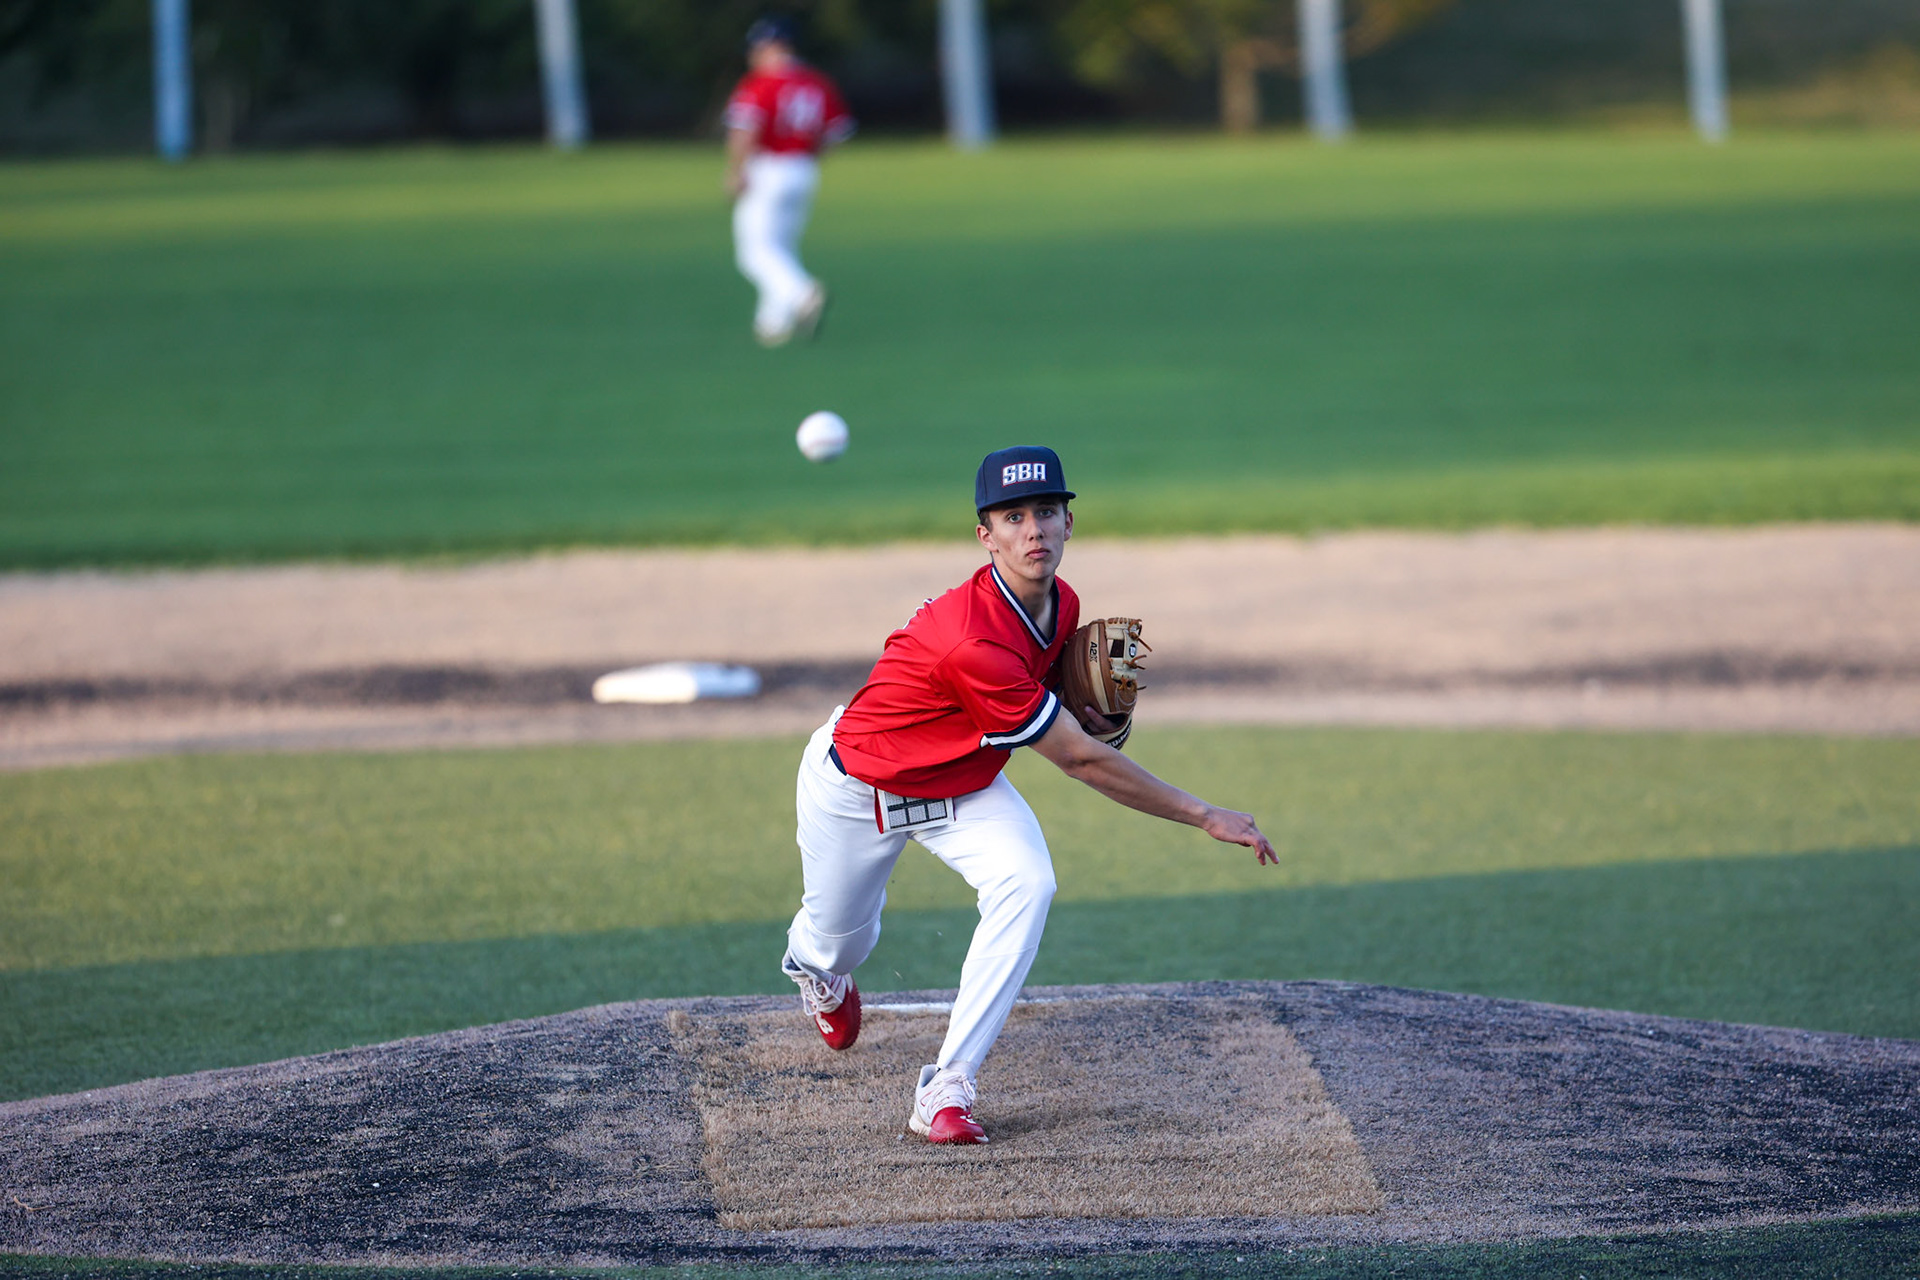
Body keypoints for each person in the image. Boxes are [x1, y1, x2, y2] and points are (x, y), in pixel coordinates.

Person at [782, 445, 1279, 1144]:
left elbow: (1054, 703)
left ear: (1069, 523)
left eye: (1047, 511)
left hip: (964, 785)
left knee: (1028, 883)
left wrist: (1081, 706)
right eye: (1013, 517)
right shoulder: (969, 640)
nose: (1034, 530)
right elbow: (1079, 759)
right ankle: (813, 967)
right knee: (840, 942)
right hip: (860, 787)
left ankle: (947, 1088)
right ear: (985, 536)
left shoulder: (1063, 602)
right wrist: (1204, 814)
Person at [724, 16, 854, 347]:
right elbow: (837, 133)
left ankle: (801, 293)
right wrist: (807, 156)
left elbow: (745, 131)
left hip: (767, 167)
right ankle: (772, 323)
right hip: (804, 169)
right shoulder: (816, 82)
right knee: (781, 247)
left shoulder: (760, 84)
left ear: (770, 47)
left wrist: (736, 170)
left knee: (754, 253)